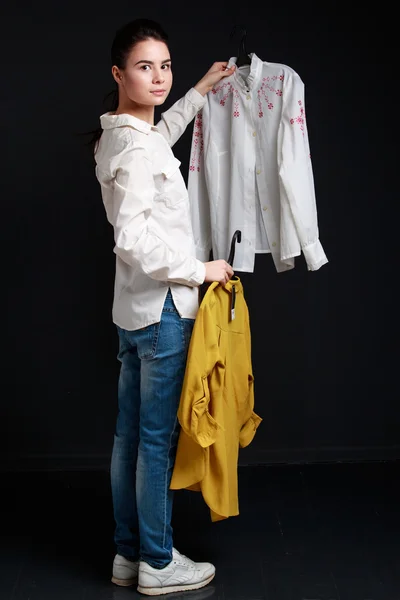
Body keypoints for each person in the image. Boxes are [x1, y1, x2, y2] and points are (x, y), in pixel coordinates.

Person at [92, 18, 236, 597]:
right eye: (144, 66)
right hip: (164, 311)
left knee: (131, 438)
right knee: (153, 441)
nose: (157, 77)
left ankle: (129, 555)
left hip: (134, 313)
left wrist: (197, 89)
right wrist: (199, 270)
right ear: (118, 73)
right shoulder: (131, 143)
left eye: (165, 65)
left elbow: (162, 131)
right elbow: (132, 237)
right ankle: (156, 560)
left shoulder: (127, 134)